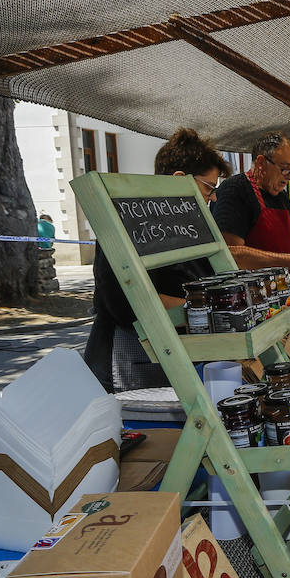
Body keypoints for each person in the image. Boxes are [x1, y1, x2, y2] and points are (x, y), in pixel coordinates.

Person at [85, 128, 231, 391]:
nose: (214, 197)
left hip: (178, 352)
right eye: (209, 187)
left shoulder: (192, 225)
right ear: (178, 179)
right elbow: (125, 303)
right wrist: (202, 308)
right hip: (132, 357)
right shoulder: (125, 217)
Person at [210, 132, 290, 281]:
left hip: (285, 289)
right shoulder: (235, 190)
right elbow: (232, 254)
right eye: (284, 168)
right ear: (261, 163)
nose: (289, 177)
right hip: (253, 295)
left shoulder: (281, 196)